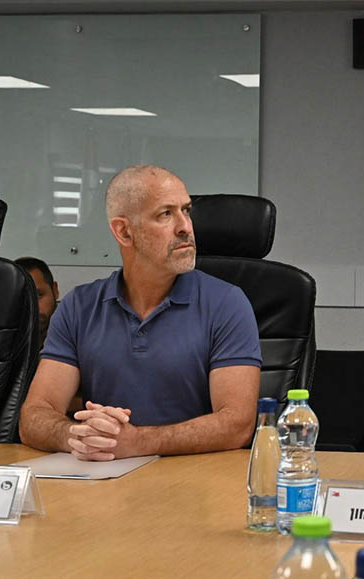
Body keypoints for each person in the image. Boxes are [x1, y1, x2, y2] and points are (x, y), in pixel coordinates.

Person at [19, 165, 262, 461]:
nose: (185, 227)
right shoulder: (78, 306)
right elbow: (34, 416)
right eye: (166, 214)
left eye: (186, 211)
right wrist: (76, 436)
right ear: (124, 232)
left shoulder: (227, 303)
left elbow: (237, 424)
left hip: (196, 477)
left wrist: (139, 442)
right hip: (106, 474)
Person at [14, 256, 59, 349]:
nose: (31, 307)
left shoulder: (76, 333)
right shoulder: (1, 342)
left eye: (38, 295)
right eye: (20, 298)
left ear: (55, 290)